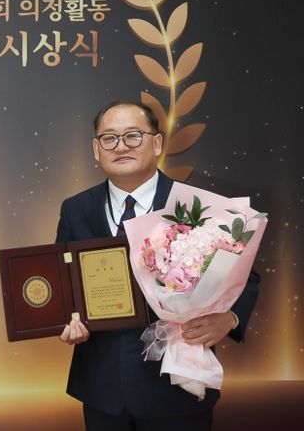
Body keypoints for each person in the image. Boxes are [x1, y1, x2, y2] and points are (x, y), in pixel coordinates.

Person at [55, 101, 260, 431]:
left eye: (133, 136)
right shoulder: (75, 208)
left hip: (176, 384)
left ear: (157, 143)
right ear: (96, 149)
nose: (120, 146)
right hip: (102, 389)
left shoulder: (196, 205)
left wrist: (229, 318)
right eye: (109, 138)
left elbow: (245, 275)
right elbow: (64, 281)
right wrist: (67, 318)